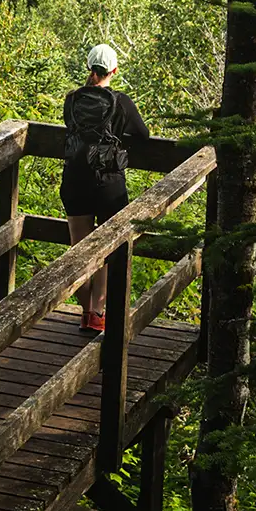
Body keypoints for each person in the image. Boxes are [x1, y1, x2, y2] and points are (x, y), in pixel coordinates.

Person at [60, 43, 150, 332]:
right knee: (108, 249)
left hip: (74, 179)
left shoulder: (72, 99)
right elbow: (143, 135)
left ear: (89, 67)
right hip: (108, 182)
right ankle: (98, 313)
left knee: (79, 249)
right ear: (114, 70)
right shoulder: (121, 102)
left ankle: (84, 311)